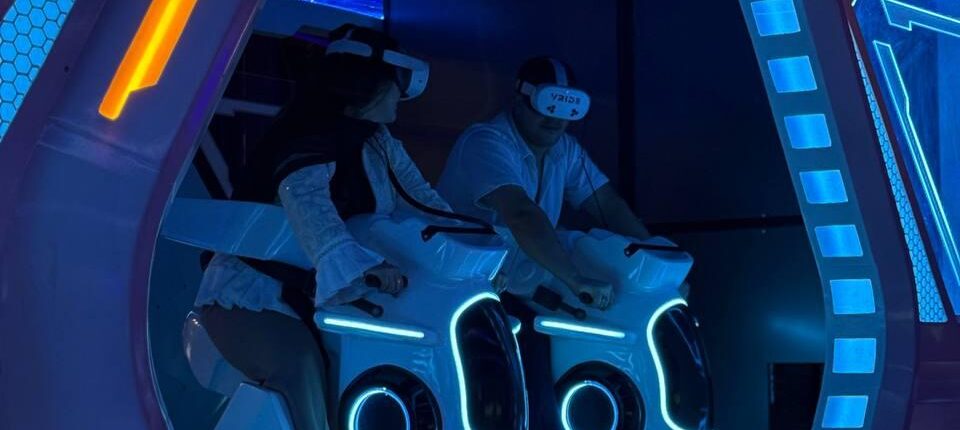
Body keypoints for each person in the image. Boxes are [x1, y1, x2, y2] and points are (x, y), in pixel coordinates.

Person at [193, 24, 448, 430]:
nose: (401, 92)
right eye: (395, 80)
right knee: (300, 370)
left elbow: (423, 200)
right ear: (369, 83)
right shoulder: (308, 135)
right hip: (254, 294)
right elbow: (309, 204)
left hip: (326, 294)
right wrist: (361, 267)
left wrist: (474, 252)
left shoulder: (378, 140)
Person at [436, 56, 652, 429]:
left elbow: (606, 203)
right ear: (520, 100)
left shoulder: (564, 149)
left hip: (524, 287)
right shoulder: (486, 141)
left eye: (568, 109)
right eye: (547, 106)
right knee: (525, 373)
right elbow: (520, 213)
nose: (556, 119)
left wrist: (653, 254)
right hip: (469, 289)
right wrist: (576, 280)